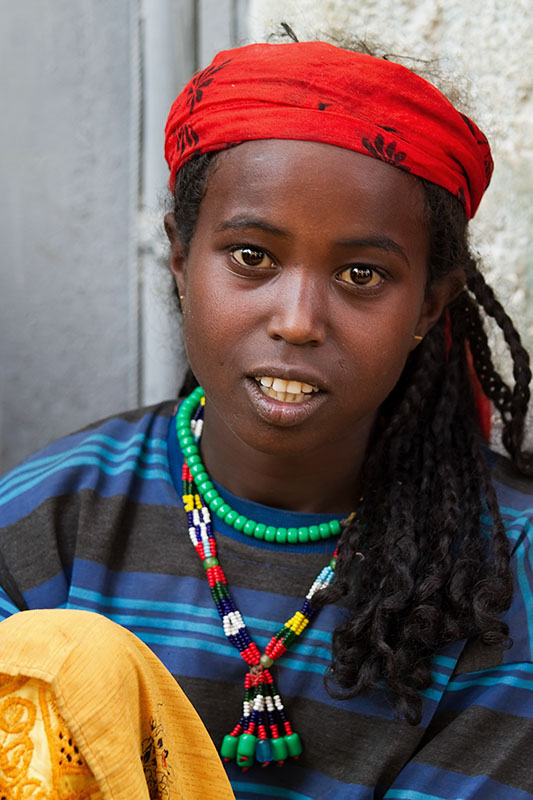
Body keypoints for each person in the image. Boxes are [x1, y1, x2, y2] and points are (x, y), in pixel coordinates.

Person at [1, 34, 532, 800]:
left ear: (429, 305)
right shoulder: (51, 521)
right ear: (182, 261)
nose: (297, 320)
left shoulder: (502, 569)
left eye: (361, 274)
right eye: (251, 256)